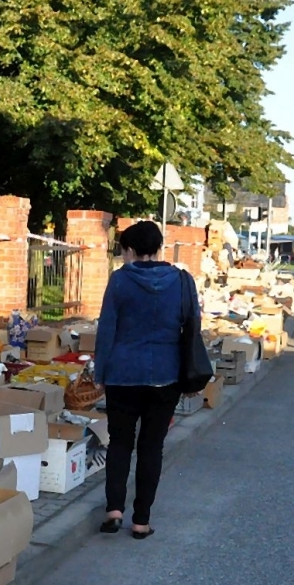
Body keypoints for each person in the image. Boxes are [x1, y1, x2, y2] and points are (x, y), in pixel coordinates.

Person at [93, 220, 197, 539]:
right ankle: (141, 520)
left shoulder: (120, 281)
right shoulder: (182, 281)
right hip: (166, 375)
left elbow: (107, 329)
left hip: (123, 374)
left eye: (124, 250)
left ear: (132, 250)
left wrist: (100, 372)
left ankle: (113, 510)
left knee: (120, 442)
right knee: (152, 446)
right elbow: (193, 325)